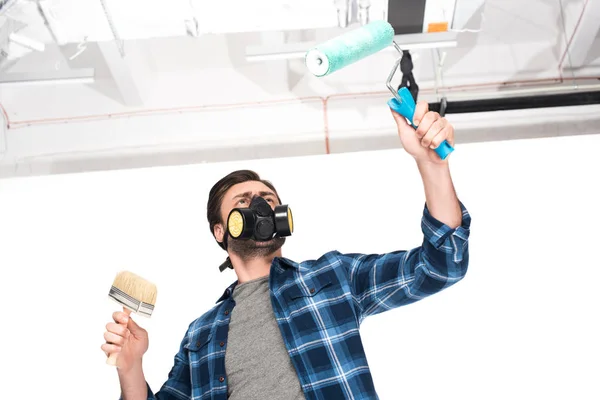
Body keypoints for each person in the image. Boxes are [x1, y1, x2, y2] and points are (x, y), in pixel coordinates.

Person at [102, 100, 471, 400]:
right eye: (244, 201)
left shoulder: (332, 277)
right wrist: (130, 368)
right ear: (220, 230)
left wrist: (431, 165)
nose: (259, 207)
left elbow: (440, 267)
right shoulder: (201, 334)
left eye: (266, 199)